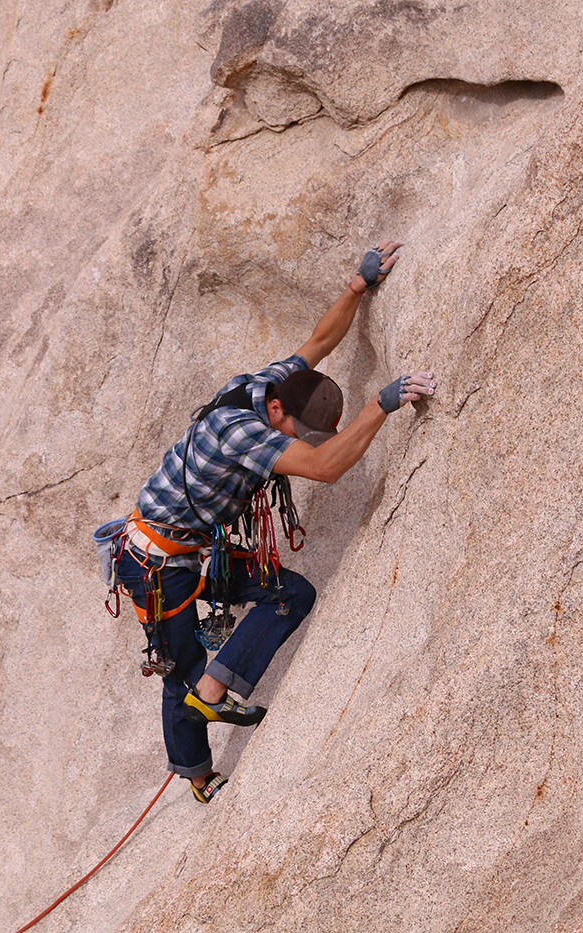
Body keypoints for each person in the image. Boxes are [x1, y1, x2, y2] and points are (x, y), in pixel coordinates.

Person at [114, 240, 436, 803]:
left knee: (290, 593)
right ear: (278, 412)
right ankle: (196, 773)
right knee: (181, 671)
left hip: (195, 548)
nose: (291, 444)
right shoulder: (240, 432)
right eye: (292, 432)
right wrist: (380, 407)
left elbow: (319, 342)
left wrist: (357, 288)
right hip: (155, 561)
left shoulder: (275, 385)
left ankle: (215, 690)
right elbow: (325, 467)